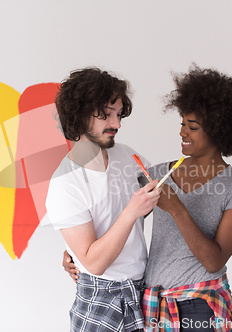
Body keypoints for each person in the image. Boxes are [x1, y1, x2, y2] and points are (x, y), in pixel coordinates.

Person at [64, 64, 232, 332]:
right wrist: (75, 253)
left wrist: (177, 209)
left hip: (201, 306)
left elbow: (215, 261)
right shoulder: (156, 174)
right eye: (182, 124)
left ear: (218, 130)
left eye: (192, 127)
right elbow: (114, 215)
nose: (182, 132)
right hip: (150, 306)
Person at [46, 67, 161, 332]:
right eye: (107, 114)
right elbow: (95, 263)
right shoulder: (65, 182)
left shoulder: (128, 156)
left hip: (142, 292)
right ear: (80, 113)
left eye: (119, 115)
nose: (117, 124)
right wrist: (131, 212)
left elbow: (158, 201)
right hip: (100, 300)